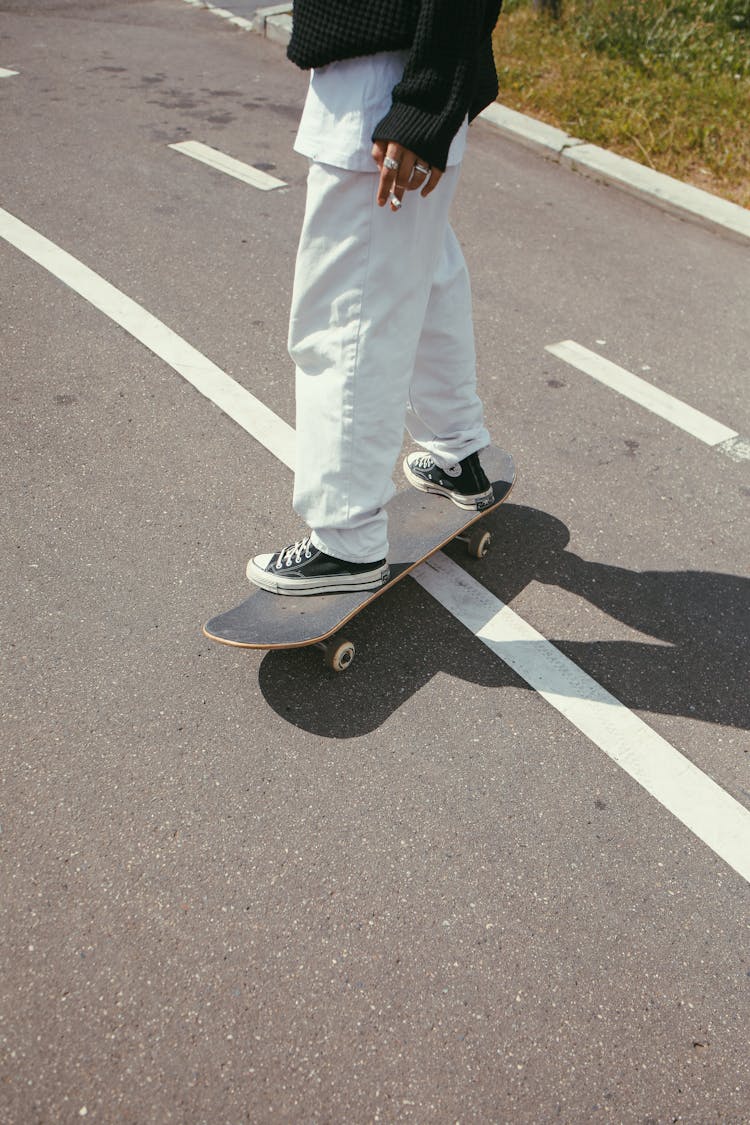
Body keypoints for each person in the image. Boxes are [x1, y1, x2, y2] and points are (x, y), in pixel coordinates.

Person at [247, 0, 504, 596]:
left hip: (388, 89)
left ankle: (347, 541)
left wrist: (421, 104)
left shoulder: (405, 93)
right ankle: (456, 453)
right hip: (411, 74)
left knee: (345, 317)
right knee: (426, 273)